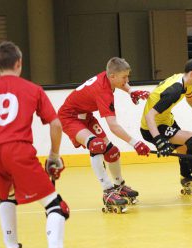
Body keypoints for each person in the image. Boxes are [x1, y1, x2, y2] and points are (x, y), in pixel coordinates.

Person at [0, 41, 68, 248]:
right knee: (57, 207)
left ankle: (11, 246)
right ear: (19, 63)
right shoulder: (32, 89)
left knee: (6, 196)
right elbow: (56, 124)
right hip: (17, 150)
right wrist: (54, 155)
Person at [58, 57, 150, 209]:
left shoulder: (109, 76)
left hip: (86, 116)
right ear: (112, 76)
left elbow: (120, 83)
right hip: (69, 117)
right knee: (96, 145)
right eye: (124, 77)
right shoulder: (103, 91)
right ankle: (107, 191)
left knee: (112, 151)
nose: (127, 80)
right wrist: (136, 143)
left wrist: (130, 91)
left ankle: (119, 185)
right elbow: (113, 126)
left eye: (128, 76)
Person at [140, 57, 192, 197]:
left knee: (184, 147)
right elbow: (149, 116)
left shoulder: (184, 81)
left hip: (166, 121)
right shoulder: (174, 91)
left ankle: (186, 178)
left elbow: (191, 99)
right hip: (153, 127)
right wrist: (158, 139)